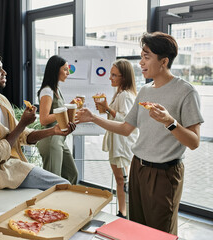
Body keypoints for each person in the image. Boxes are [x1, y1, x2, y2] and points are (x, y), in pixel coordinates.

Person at [76, 32, 203, 235]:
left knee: (160, 233)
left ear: (163, 61)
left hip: (165, 173)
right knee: (136, 229)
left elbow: (194, 142)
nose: (141, 63)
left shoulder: (186, 92)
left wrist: (170, 122)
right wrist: (93, 118)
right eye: (141, 56)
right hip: (138, 168)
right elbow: (126, 128)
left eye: (146, 57)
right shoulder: (144, 91)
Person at [0, 50, 75, 191]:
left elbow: (21, 136)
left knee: (67, 181)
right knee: (63, 187)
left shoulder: (0, 99)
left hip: (14, 167)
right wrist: (22, 123)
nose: (5, 72)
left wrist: (53, 131)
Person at [93, 59, 138, 219]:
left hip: (122, 143)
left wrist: (108, 109)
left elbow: (126, 121)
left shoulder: (125, 95)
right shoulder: (120, 93)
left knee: (121, 180)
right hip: (118, 142)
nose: (110, 78)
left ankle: (124, 214)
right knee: (121, 179)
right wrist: (106, 109)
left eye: (114, 75)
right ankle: (123, 212)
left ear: (124, 77)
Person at [36, 55, 78, 184]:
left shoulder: (56, 90)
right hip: (51, 139)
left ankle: (64, 203)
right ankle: (50, 204)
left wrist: (68, 109)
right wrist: (65, 112)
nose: (67, 73)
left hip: (59, 139)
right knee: (53, 182)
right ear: (56, 70)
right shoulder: (47, 91)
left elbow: (57, 111)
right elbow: (43, 119)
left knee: (72, 175)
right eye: (65, 69)